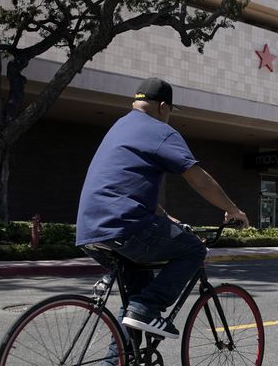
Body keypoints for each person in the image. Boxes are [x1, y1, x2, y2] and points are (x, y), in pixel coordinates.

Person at [76, 77, 249, 340]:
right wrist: (232, 210)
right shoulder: (159, 130)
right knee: (194, 249)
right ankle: (147, 309)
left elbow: (124, 187)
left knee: (135, 297)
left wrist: (167, 218)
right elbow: (197, 178)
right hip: (127, 227)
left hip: (90, 230)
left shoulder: (119, 127)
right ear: (164, 107)